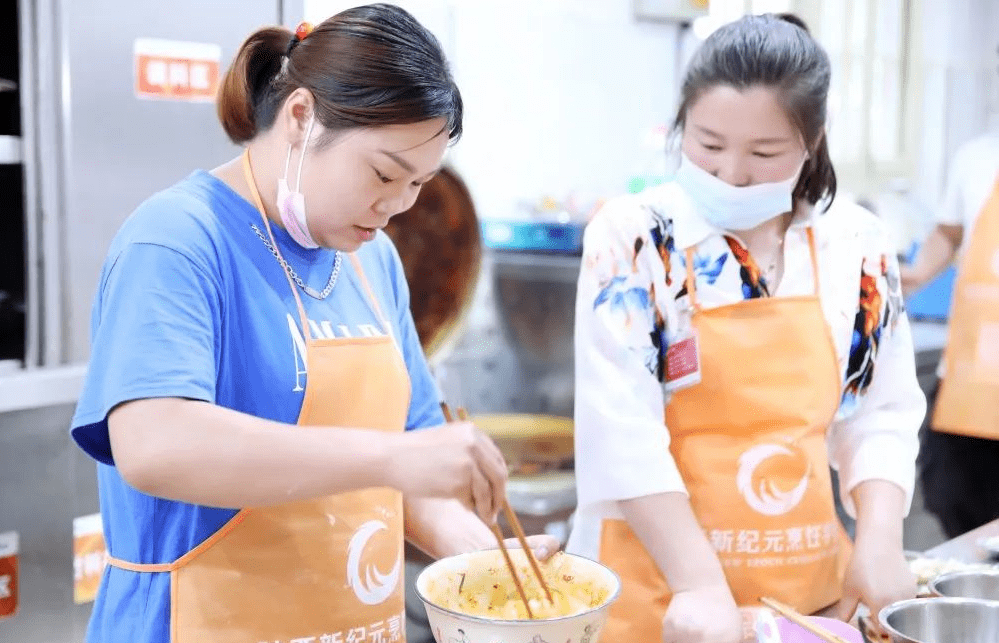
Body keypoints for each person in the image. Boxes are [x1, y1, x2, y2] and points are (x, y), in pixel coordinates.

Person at [68, 5, 555, 642]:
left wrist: (480, 557)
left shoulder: (371, 260)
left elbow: (412, 469)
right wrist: (393, 456)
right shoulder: (178, 241)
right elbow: (155, 444)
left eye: (419, 183)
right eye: (383, 173)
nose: (397, 206)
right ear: (301, 117)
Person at [568, 13, 924, 643]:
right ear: (681, 124)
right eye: (707, 144)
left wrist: (880, 538)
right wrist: (700, 586)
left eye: (764, 154)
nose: (731, 174)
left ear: (811, 143)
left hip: (805, 600)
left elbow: (880, 413)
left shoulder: (857, 246)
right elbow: (620, 429)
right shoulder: (637, 239)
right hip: (656, 594)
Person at [902, 115, 999, 539]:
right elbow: (950, 230)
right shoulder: (977, 155)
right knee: (956, 501)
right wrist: (917, 273)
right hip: (970, 384)